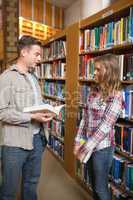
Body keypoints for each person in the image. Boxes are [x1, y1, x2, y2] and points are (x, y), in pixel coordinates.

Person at [0, 35, 54, 200]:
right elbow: (2, 112)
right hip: (15, 143)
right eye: (37, 54)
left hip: (37, 139)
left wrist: (46, 110)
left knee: (31, 183)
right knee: (9, 189)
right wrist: (31, 117)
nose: (39, 58)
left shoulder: (34, 77)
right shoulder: (6, 77)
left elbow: (34, 104)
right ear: (24, 52)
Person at [74, 54, 124, 200]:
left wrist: (85, 147)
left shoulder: (116, 95)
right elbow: (85, 118)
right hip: (89, 145)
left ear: (108, 71)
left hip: (102, 148)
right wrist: (79, 141)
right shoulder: (93, 90)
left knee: (100, 188)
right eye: (94, 69)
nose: (93, 73)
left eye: (97, 70)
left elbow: (105, 127)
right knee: (93, 185)